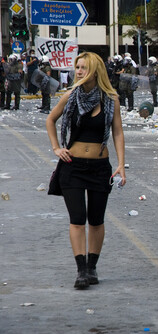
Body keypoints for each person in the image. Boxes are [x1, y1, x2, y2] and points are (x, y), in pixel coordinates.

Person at [45, 52, 126, 289]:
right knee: (78, 219)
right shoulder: (70, 96)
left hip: (101, 167)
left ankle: (92, 267)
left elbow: (118, 132)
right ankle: (81, 270)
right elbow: (51, 120)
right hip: (73, 167)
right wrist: (56, 148)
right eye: (77, 67)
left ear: (95, 70)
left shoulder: (111, 99)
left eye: (83, 67)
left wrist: (121, 164)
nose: (78, 71)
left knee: (97, 220)